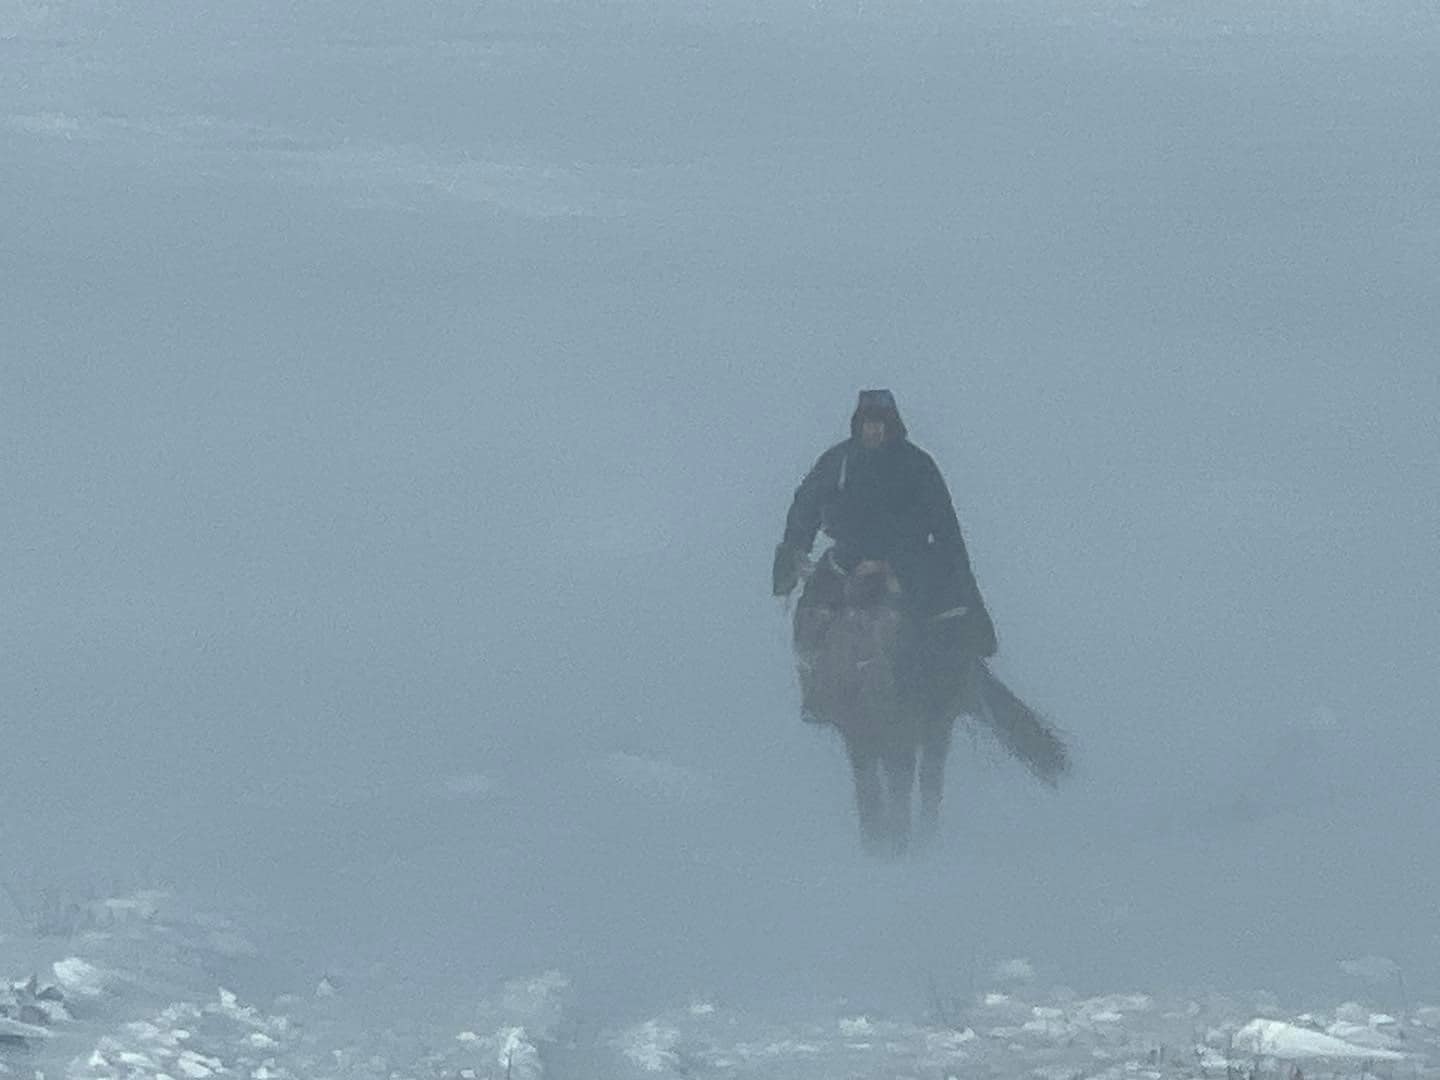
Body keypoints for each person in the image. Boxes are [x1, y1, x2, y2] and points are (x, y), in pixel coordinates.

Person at [772, 389, 996, 724]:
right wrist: (792, 551)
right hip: (846, 560)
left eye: (880, 423)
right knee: (812, 614)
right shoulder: (838, 462)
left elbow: (946, 529)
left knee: (937, 619)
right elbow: (806, 507)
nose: (873, 430)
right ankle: (818, 693)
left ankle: (941, 689)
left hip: (910, 563)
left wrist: (968, 599)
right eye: (867, 423)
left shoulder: (918, 466)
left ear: (892, 425)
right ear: (858, 424)